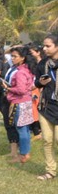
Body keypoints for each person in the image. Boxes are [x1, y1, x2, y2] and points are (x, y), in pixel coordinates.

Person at [1, 46, 37, 164]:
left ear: (22, 58)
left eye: (15, 56)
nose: (12, 58)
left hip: (19, 103)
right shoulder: (27, 69)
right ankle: (25, 152)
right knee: (25, 129)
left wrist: (8, 88)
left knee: (21, 129)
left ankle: (23, 155)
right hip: (26, 102)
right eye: (12, 56)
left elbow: (20, 90)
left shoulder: (20, 72)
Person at [35, 34, 58, 180]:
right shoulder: (42, 64)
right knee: (47, 140)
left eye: (48, 46)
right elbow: (36, 83)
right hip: (46, 106)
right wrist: (40, 83)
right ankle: (50, 171)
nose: (44, 48)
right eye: (44, 45)